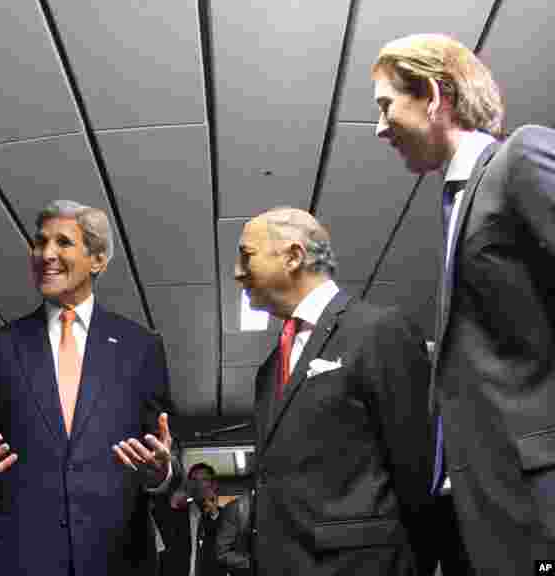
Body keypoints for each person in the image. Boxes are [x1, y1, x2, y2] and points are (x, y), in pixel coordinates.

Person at [372, 34, 555, 573]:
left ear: (433, 94)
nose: (381, 127)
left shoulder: (520, 157)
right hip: (487, 510)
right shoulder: (456, 202)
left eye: (386, 105)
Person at [0, 199, 177, 576]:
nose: (46, 254)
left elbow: (166, 445)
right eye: (40, 242)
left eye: (63, 242)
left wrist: (161, 472)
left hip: (118, 557)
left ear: (97, 260)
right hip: (19, 560)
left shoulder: (141, 347)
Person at [234, 208, 432, 575]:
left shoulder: (378, 331)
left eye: (246, 256)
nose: (237, 272)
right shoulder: (267, 372)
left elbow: (418, 470)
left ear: (293, 256)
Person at [152, 462, 243, 576]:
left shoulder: (225, 516)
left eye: (204, 480)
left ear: (213, 485)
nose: (198, 485)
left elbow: (224, 552)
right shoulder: (178, 512)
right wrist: (174, 504)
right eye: (194, 480)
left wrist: (214, 514)